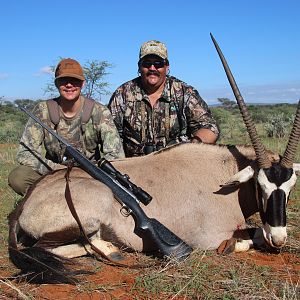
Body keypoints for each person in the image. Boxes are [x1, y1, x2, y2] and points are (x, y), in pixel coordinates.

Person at [9, 58, 125, 195]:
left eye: (74, 80)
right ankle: (49, 206)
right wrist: (56, 169)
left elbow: (116, 156)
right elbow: (25, 153)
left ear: (83, 83)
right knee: (18, 177)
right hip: (53, 174)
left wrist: (90, 173)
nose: (69, 85)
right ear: (56, 83)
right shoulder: (42, 110)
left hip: (91, 177)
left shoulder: (99, 111)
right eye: (64, 80)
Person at [108, 40, 219, 157]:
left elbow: (210, 128)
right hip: (134, 168)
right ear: (139, 67)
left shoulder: (185, 92)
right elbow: (110, 135)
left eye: (158, 63)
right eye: (146, 63)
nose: (152, 68)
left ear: (167, 66)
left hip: (177, 165)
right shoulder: (122, 94)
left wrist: (191, 148)